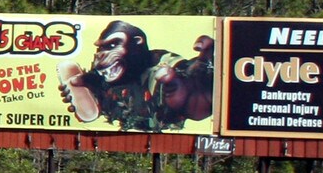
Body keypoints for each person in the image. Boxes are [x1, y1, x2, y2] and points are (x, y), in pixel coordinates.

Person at [57, 19, 214, 132]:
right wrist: (87, 87)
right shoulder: (110, 74)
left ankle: (187, 96)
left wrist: (196, 72)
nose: (102, 54)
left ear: (137, 42)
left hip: (164, 110)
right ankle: (99, 101)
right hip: (130, 114)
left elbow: (180, 67)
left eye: (112, 45)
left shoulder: (157, 60)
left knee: (165, 79)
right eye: (101, 48)